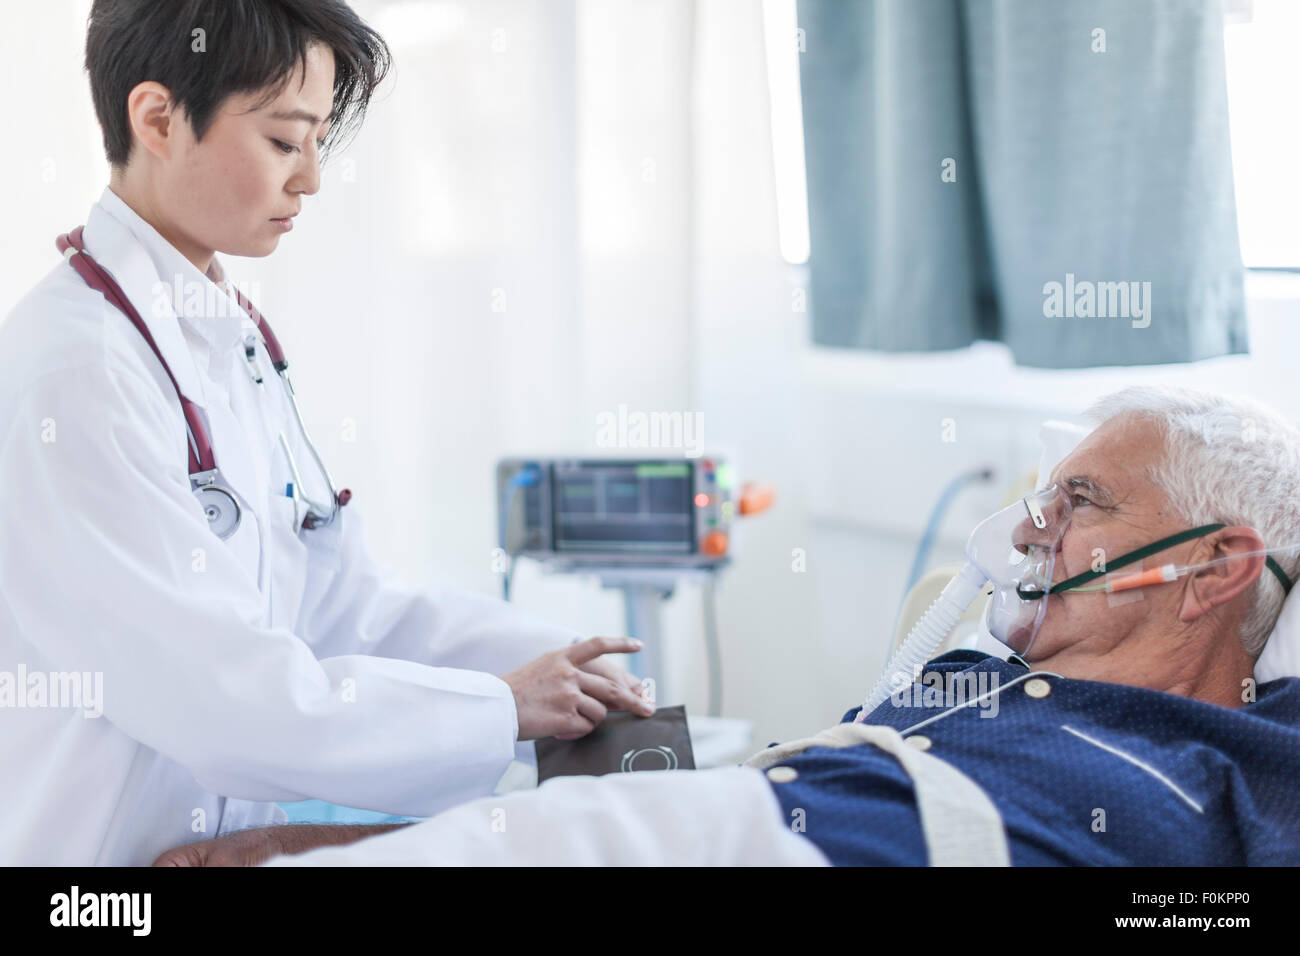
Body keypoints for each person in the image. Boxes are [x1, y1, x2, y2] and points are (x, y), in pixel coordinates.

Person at [0, 0, 649, 867]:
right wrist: (501, 707)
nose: (309, 179)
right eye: (282, 141)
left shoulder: (227, 340)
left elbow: (343, 611)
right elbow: (224, 699)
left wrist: (549, 669)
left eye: (316, 143)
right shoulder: (76, 373)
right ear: (156, 118)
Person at [157, 386, 1300, 866]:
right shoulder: (979, 677)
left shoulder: (1232, 766)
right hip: (734, 812)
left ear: (1211, 570)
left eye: (1081, 502)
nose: (1031, 528)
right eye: (1043, 494)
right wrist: (350, 842)